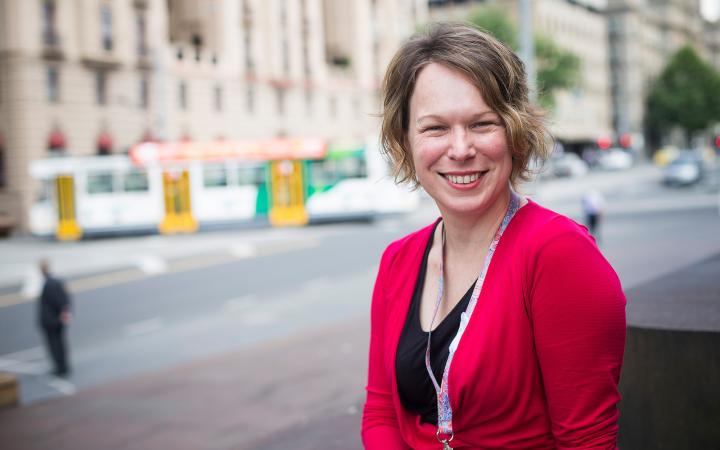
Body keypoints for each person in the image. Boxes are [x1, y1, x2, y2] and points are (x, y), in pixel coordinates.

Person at [362, 23, 626, 449]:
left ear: (515, 132)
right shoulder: (398, 260)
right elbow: (381, 413)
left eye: (482, 124)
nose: (461, 148)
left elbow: (587, 441)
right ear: (405, 140)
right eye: (435, 128)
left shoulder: (560, 256)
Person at [37, 259, 72, 377]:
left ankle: (60, 367)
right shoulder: (56, 281)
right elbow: (65, 300)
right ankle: (63, 366)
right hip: (57, 320)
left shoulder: (49, 284)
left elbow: (57, 302)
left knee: (55, 345)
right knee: (60, 344)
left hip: (52, 321)